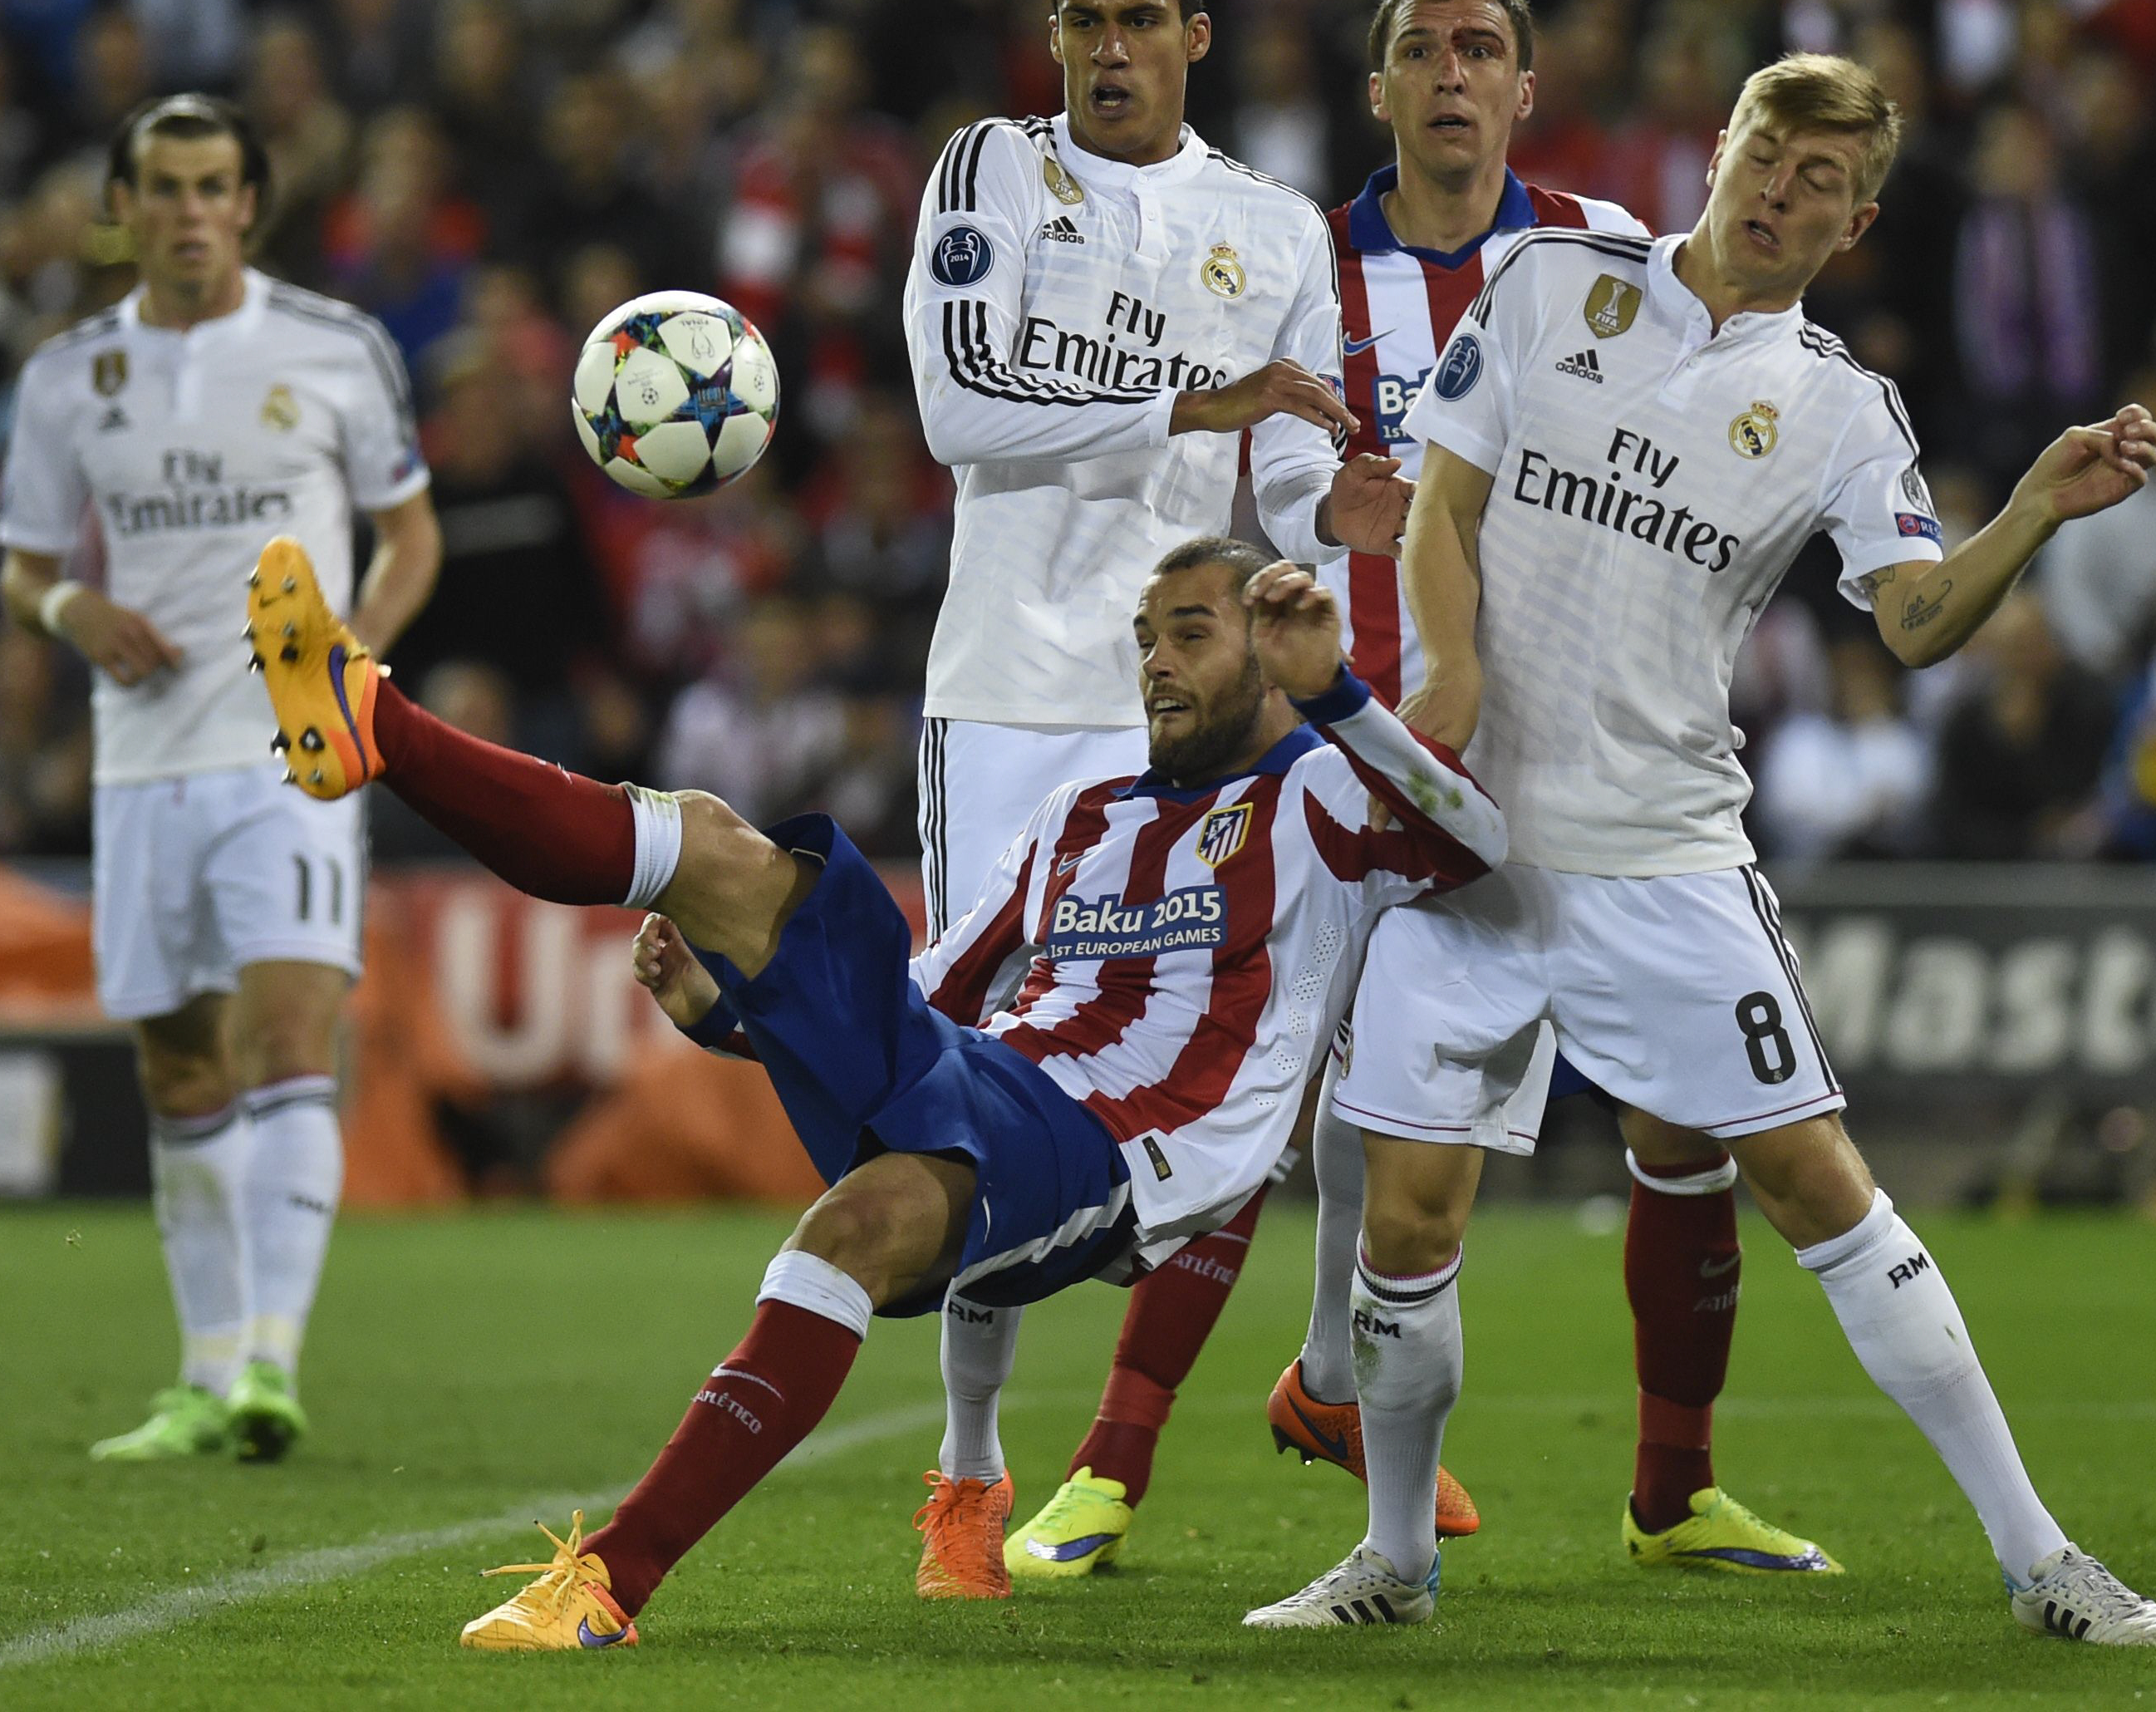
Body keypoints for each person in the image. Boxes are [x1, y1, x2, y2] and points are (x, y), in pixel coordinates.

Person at [1248, 52, 2156, 1647]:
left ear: (1856, 221)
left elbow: (1914, 624)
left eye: (1822, 182)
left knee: (1818, 1184)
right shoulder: (1550, 285)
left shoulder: (1837, 409)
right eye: (1769, 154)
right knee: (1405, 1221)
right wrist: (1451, 680)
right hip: (1464, 846)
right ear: (1724, 152)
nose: (1781, 192)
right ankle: (1395, 1564)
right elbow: (1443, 504)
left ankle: (2041, 1562)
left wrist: (2028, 508)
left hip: (1660, 855)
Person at [233, 529, 1503, 1649]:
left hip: (1126, 1150)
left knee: (824, 1138)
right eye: (1144, 638)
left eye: (1192, 633)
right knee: (734, 896)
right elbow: (936, 982)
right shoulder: (1085, 813)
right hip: (993, 1075)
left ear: (1269, 651)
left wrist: (1335, 686)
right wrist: (732, 1018)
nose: (1156, 662)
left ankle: (606, 1578)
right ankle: (371, 732)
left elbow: (1476, 846)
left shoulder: (1326, 794)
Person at [1006, 0, 1837, 1588]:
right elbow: (1268, 484)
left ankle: (1664, 1488)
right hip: (1351, 761)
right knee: (1254, 1093)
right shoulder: (1299, 274)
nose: (1448, 73)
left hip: (1571, 777)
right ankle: (1111, 1462)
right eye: (1417, 51)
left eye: (1478, 49)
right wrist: (1329, 527)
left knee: (1670, 1133)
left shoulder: (1607, 259)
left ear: (1522, 90)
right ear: (1374, 90)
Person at [899, 0, 1409, 1597]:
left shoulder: (1269, 229)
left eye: (1140, 22)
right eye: (1082, 23)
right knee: (964, 1074)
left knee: (1250, 1073)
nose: (1109, 50)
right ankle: (967, 1475)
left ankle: (1249, 1410)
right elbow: (958, 412)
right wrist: (1203, 403)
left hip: (1194, 714)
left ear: (1195, 38)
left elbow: (1267, 489)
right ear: (1050, 44)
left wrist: (1324, 512)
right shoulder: (990, 170)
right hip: (1010, 689)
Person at [0, 94, 440, 1464]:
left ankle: (269, 1368)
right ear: (122, 207)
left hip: (286, 757)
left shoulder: (336, 349)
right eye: (163, 187)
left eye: (212, 185)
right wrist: (77, 615)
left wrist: (351, 655)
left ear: (251, 202)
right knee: (177, 1061)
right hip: (139, 766)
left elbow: (408, 534)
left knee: (289, 1039)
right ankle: (200, 1373)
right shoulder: (67, 379)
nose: (188, 210)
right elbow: (23, 568)